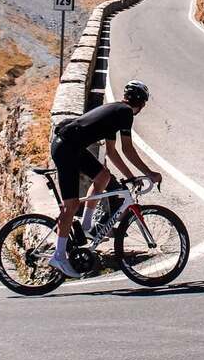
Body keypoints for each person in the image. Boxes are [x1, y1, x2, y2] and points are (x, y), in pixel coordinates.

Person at [48, 80, 162, 278]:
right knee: (71, 205)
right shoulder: (125, 113)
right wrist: (150, 173)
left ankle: (86, 226)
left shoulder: (115, 111)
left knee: (103, 177)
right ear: (141, 103)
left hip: (72, 146)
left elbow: (111, 152)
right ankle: (58, 256)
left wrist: (131, 177)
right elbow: (127, 149)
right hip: (66, 148)